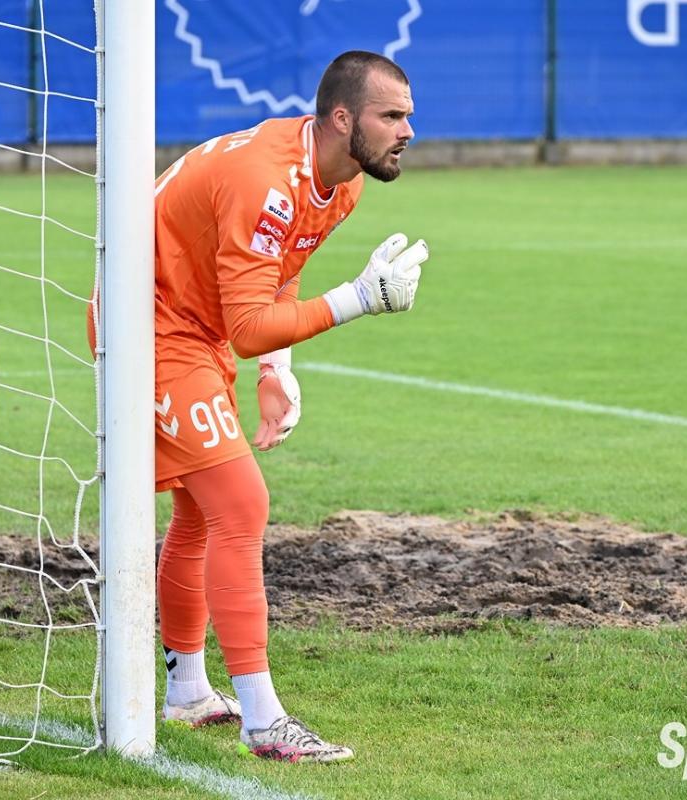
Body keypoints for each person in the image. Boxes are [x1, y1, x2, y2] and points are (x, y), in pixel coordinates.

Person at [92, 51, 428, 763]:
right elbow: (248, 327)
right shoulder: (265, 180)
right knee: (241, 503)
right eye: (392, 116)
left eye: (408, 116)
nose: (407, 131)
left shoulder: (342, 181)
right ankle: (263, 720)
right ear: (343, 118)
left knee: (201, 511)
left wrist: (278, 369)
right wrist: (357, 299)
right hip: (146, 324)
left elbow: (280, 274)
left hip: (193, 324)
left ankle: (187, 692)